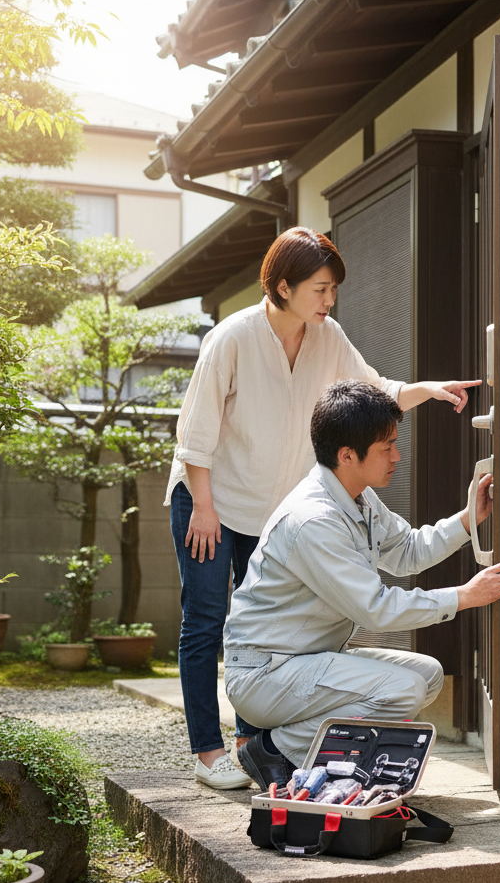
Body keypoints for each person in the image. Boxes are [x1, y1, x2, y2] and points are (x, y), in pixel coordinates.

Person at [168, 227, 482, 788]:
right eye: (319, 288)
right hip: (210, 498)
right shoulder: (233, 337)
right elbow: (196, 434)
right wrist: (203, 506)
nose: (329, 299)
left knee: (267, 623)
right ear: (282, 286)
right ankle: (208, 752)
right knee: (208, 620)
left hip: (270, 505)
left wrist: (428, 390)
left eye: (332, 289)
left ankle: (255, 746)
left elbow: (375, 390)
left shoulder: (326, 335)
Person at [223, 379, 500, 789]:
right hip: (265, 674)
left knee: (428, 676)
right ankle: (273, 749)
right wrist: (465, 597)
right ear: (347, 455)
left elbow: (408, 550)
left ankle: (319, 758)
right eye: (387, 447)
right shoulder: (315, 520)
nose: (397, 456)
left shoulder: (357, 496)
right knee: (402, 690)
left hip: (303, 660)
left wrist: (469, 519)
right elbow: (374, 608)